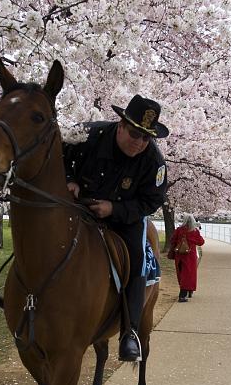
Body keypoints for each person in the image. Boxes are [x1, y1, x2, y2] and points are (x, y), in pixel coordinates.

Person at [63, 94, 169, 361]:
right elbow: (56, 151)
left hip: (125, 217)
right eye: (135, 133)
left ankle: (129, 332)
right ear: (121, 125)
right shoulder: (87, 134)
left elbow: (152, 200)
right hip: (78, 205)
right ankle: (21, 299)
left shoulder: (154, 161)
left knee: (136, 260)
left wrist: (114, 209)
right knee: (45, 233)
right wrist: (69, 179)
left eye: (147, 137)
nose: (140, 142)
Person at [169, 215, 205, 302]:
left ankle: (186, 290)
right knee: (189, 274)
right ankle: (184, 294)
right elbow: (201, 242)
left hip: (179, 256)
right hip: (190, 256)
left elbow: (172, 240)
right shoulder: (194, 231)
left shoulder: (179, 230)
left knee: (181, 274)